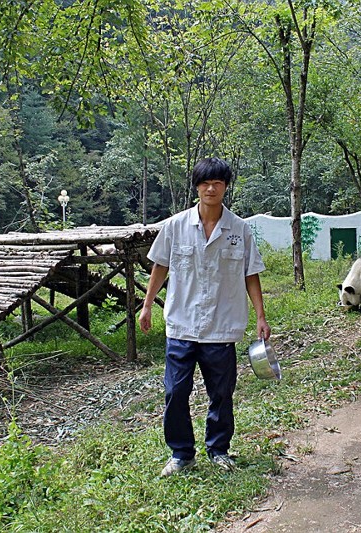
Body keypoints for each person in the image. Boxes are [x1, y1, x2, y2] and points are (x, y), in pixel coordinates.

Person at [139, 157, 271, 477]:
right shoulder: (175, 226)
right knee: (175, 391)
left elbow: (250, 274)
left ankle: (219, 450)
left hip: (222, 327)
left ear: (225, 187)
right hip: (182, 324)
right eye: (205, 183)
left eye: (217, 183)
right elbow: (160, 266)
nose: (211, 188)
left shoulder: (239, 230)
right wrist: (146, 304)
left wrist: (260, 316)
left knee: (222, 393)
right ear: (197, 186)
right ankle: (182, 454)